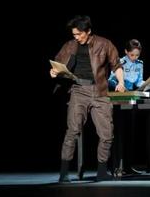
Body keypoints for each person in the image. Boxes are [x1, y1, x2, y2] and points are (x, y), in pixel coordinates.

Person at [50, 15, 125, 182]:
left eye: (79, 34)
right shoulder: (70, 46)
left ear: (88, 31)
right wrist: (54, 72)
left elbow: (117, 65)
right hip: (78, 90)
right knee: (73, 131)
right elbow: (57, 63)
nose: (76, 37)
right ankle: (64, 172)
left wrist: (120, 82)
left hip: (100, 91)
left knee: (107, 134)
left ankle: (102, 171)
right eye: (74, 34)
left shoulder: (104, 44)